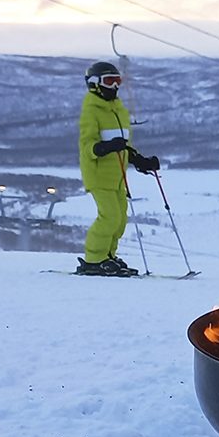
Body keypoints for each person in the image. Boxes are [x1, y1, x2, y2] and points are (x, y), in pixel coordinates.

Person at [76, 60, 160, 276]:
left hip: (118, 175)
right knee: (109, 216)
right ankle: (94, 260)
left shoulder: (119, 111)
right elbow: (87, 146)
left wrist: (139, 160)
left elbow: (124, 144)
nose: (114, 86)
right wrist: (104, 148)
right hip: (98, 174)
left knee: (120, 218)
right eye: (109, 81)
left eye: (117, 81)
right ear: (95, 84)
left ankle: (108, 256)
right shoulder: (92, 111)